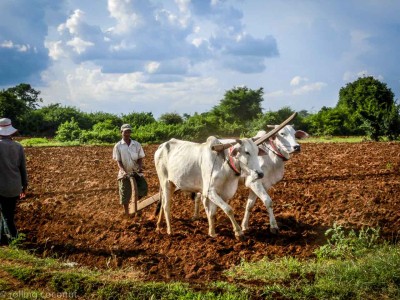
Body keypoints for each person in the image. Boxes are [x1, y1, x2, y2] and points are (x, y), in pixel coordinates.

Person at [0, 118, 28, 244]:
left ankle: (15, 239)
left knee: (6, 216)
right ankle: (3, 238)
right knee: (8, 213)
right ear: (11, 132)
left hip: (1, 186)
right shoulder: (18, 147)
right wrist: (24, 186)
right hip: (15, 186)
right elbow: (23, 168)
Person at [112, 124, 145, 216]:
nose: (127, 133)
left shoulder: (136, 144)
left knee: (143, 188)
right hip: (124, 173)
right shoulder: (118, 146)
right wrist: (123, 171)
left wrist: (139, 167)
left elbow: (140, 158)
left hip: (135, 171)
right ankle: (127, 212)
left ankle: (134, 204)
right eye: (125, 132)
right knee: (125, 193)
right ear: (121, 132)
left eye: (129, 131)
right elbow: (118, 161)